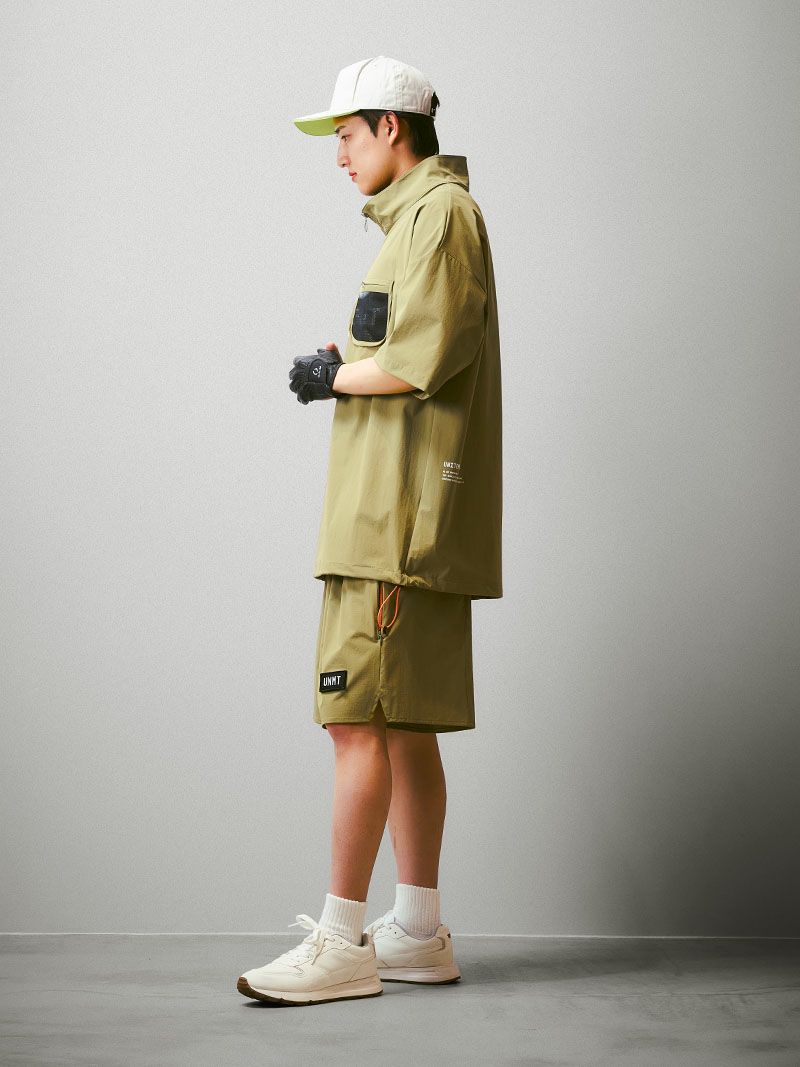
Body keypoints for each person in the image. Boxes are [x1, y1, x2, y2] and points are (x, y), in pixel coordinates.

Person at [237, 55, 503, 1006]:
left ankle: (341, 941)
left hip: (390, 525)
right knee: (405, 727)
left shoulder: (438, 216)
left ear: (392, 126)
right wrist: (346, 359)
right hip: (400, 520)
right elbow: (404, 345)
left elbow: (420, 357)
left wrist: (331, 377)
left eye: (347, 134)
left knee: (357, 722)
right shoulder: (424, 220)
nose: (339, 154)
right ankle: (418, 932)